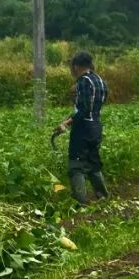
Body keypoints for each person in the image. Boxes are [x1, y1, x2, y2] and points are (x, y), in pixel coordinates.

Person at [56, 51, 109, 205]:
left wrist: (67, 123)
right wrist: (69, 118)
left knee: (76, 164)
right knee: (93, 162)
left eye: (72, 67)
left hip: (83, 128)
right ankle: (103, 196)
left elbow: (84, 109)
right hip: (96, 126)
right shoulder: (99, 80)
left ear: (76, 66)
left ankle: (80, 201)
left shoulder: (83, 81)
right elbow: (92, 106)